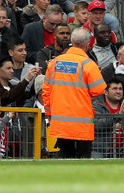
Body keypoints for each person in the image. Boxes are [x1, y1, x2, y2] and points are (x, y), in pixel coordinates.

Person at [42, 27, 106, 158]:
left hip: (60, 122)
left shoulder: (54, 63)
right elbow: (98, 90)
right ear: (88, 44)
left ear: (72, 41)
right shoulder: (88, 64)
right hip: (82, 124)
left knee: (65, 157)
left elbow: (46, 92)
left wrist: (50, 114)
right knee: (83, 160)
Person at [92, 78, 124, 158]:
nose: (118, 91)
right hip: (100, 150)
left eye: (120, 89)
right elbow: (96, 125)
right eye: (115, 89)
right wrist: (118, 115)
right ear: (106, 92)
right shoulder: (97, 106)